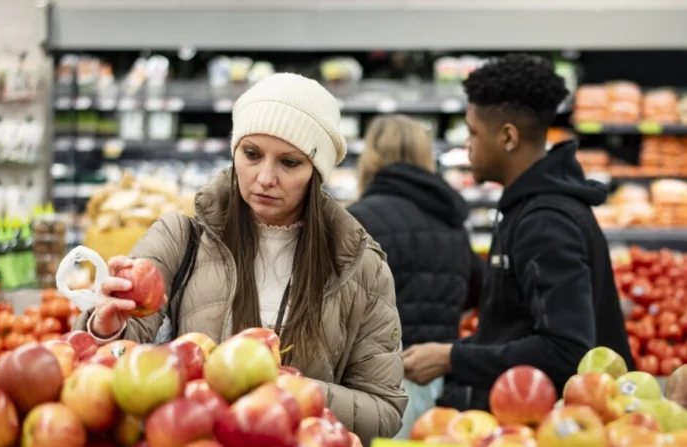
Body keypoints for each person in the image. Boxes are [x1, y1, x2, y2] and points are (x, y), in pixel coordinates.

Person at [73, 72, 407, 442]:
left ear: (317, 171)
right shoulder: (179, 238)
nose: (264, 177)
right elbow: (102, 371)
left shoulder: (361, 268)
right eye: (251, 154)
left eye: (289, 162)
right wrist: (105, 328)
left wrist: (283, 389)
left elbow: (385, 412)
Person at [401, 54, 634, 411]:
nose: (468, 145)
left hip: (558, 426)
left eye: (473, 132)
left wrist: (453, 358)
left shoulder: (545, 221)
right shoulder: (532, 208)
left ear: (508, 136)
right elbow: (522, 329)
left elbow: (566, 349)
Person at [346, 115, 483, 432]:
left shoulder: (355, 220)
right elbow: (480, 291)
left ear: (371, 156)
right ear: (425, 157)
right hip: (441, 387)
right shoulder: (452, 223)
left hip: (373, 391)